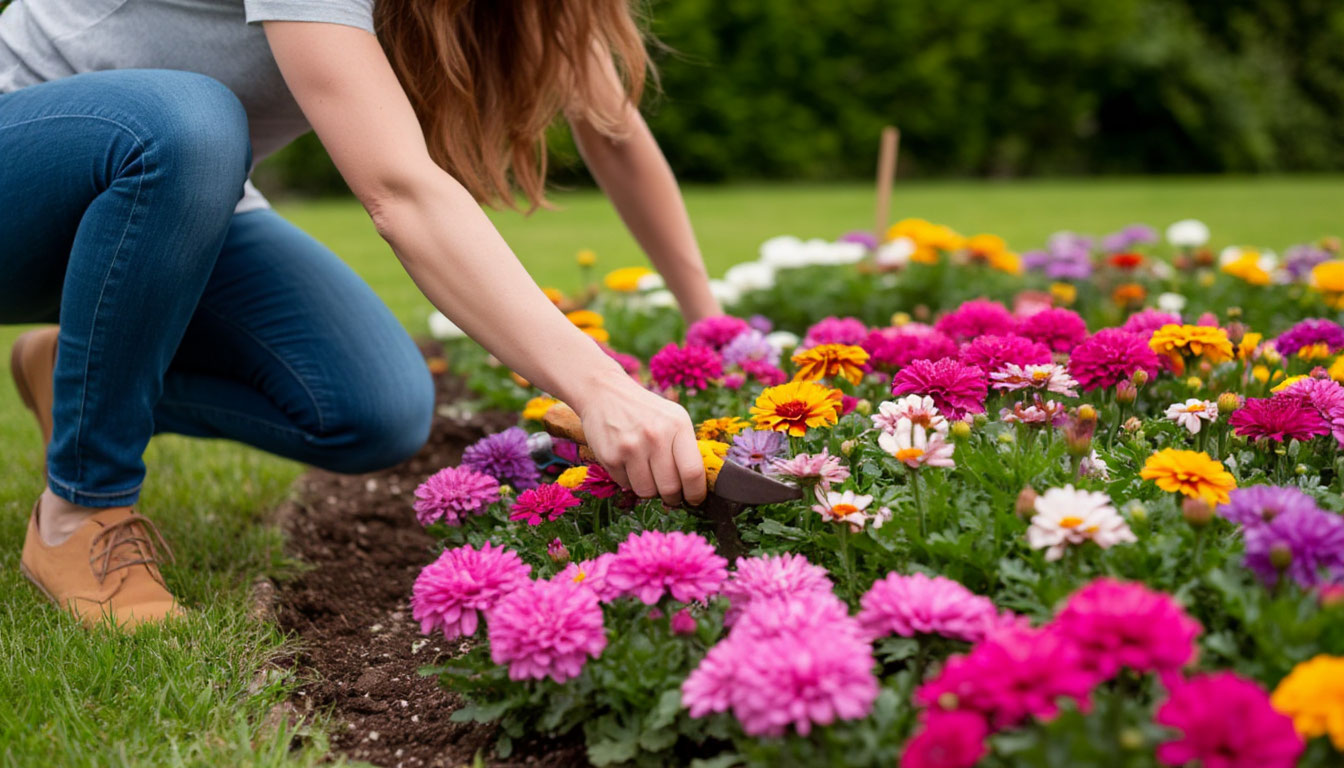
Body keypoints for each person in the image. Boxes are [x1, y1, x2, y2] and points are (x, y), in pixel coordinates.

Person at [0, 0, 716, 628]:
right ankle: (81, 510)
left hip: (178, 205)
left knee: (373, 406)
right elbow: (398, 192)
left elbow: (613, 131)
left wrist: (712, 323)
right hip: (36, 166)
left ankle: (72, 367)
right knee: (192, 121)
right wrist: (599, 387)